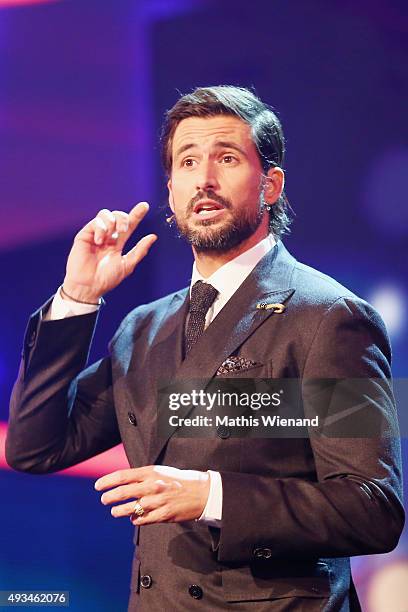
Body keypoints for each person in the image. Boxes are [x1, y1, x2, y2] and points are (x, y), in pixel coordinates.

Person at [6, 86, 404, 611]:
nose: (205, 179)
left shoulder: (328, 319)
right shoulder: (144, 329)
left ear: (271, 185)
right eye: (188, 162)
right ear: (171, 189)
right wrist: (77, 298)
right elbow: (36, 447)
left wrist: (213, 496)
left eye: (227, 158)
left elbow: (370, 509)